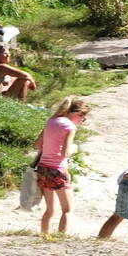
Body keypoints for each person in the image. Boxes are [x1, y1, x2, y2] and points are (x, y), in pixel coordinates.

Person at [34, 96, 89, 237]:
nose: (84, 120)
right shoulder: (70, 127)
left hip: (43, 168)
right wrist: (75, 148)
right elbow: (66, 153)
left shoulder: (51, 121)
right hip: (57, 169)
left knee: (50, 210)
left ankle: (44, 236)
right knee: (67, 209)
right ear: (75, 113)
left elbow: (38, 145)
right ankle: (61, 237)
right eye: (83, 116)